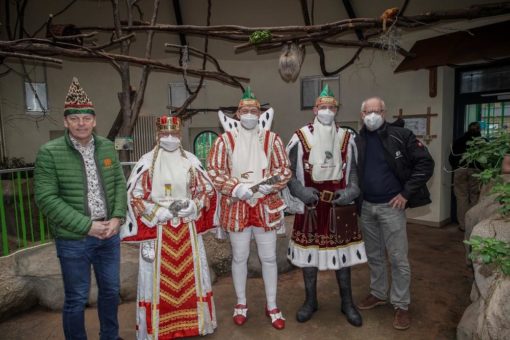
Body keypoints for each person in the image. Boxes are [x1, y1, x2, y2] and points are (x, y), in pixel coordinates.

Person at [34, 77, 127, 340]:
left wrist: (118, 217)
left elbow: (119, 184)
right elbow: (46, 198)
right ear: (66, 122)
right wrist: (87, 225)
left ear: (94, 120)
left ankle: (110, 336)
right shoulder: (49, 153)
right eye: (74, 118)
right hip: (73, 239)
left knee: (111, 291)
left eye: (86, 118)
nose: (81, 123)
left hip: (109, 235)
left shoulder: (107, 147)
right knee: (76, 297)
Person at [120, 115, 217, 339]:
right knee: (156, 280)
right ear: (158, 135)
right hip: (158, 231)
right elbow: (134, 195)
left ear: (180, 135)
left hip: (187, 229)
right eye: (166, 134)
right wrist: (156, 212)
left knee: (191, 278)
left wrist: (194, 205)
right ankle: (159, 328)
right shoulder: (146, 162)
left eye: (174, 134)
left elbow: (206, 190)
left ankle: (194, 324)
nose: (170, 138)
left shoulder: (191, 160)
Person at [207, 88, 291, 330]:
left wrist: (270, 185)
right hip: (236, 207)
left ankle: (272, 305)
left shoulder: (272, 139)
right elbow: (213, 171)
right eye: (245, 111)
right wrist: (235, 188)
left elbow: (284, 169)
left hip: (265, 205)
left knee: (268, 258)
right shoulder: (224, 141)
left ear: (261, 114)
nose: (250, 115)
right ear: (237, 114)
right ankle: (241, 303)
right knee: (240, 257)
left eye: (255, 111)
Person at [285, 84, 366, 327]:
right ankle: (310, 301)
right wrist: (299, 190)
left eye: (332, 107)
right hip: (311, 207)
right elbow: (288, 171)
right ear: (314, 109)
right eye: (323, 107)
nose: (327, 111)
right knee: (310, 259)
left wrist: (352, 189)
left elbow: (354, 170)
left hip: (338, 206)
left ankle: (347, 302)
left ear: (336, 110)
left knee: (342, 258)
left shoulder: (347, 137)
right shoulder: (300, 136)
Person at [355, 97, 434, 330]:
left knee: (398, 257)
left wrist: (406, 194)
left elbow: (425, 164)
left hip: (392, 206)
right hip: (367, 207)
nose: (372, 115)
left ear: (384, 112)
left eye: (376, 111)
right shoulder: (357, 140)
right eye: (367, 111)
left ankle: (401, 304)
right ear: (361, 115)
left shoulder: (402, 136)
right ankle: (378, 293)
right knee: (375, 255)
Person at [449, 122, 482, 231]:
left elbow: (451, 158)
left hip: (460, 170)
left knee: (461, 198)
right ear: (479, 130)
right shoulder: (482, 142)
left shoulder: (459, 141)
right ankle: (473, 225)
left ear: (468, 129)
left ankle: (463, 226)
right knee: (475, 197)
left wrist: (458, 167)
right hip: (476, 171)